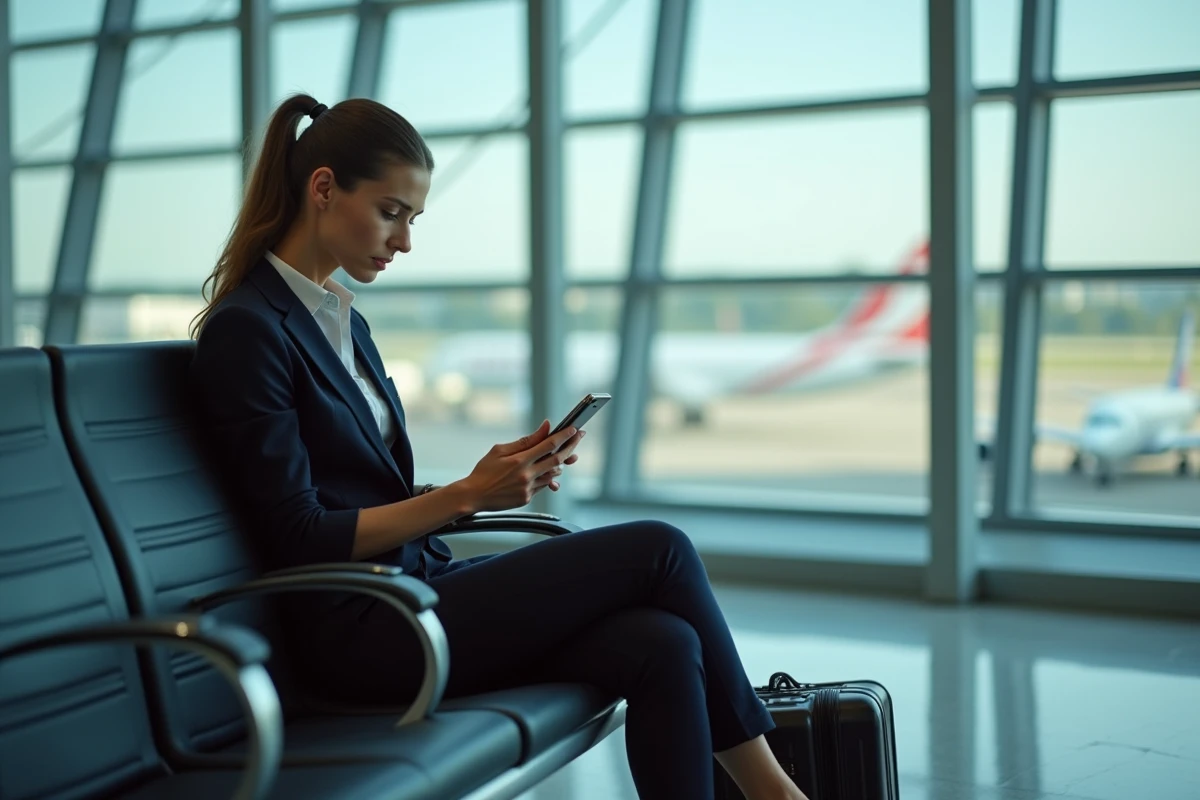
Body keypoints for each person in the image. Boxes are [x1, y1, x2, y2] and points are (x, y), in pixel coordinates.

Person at [189, 93, 809, 800]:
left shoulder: (342, 323)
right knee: (659, 548)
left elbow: (363, 493)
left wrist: (481, 483)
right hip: (360, 631)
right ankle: (778, 794)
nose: (404, 241)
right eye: (391, 212)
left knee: (665, 645)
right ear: (324, 188)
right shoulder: (249, 331)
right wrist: (464, 498)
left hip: (416, 586)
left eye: (413, 219)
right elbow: (297, 535)